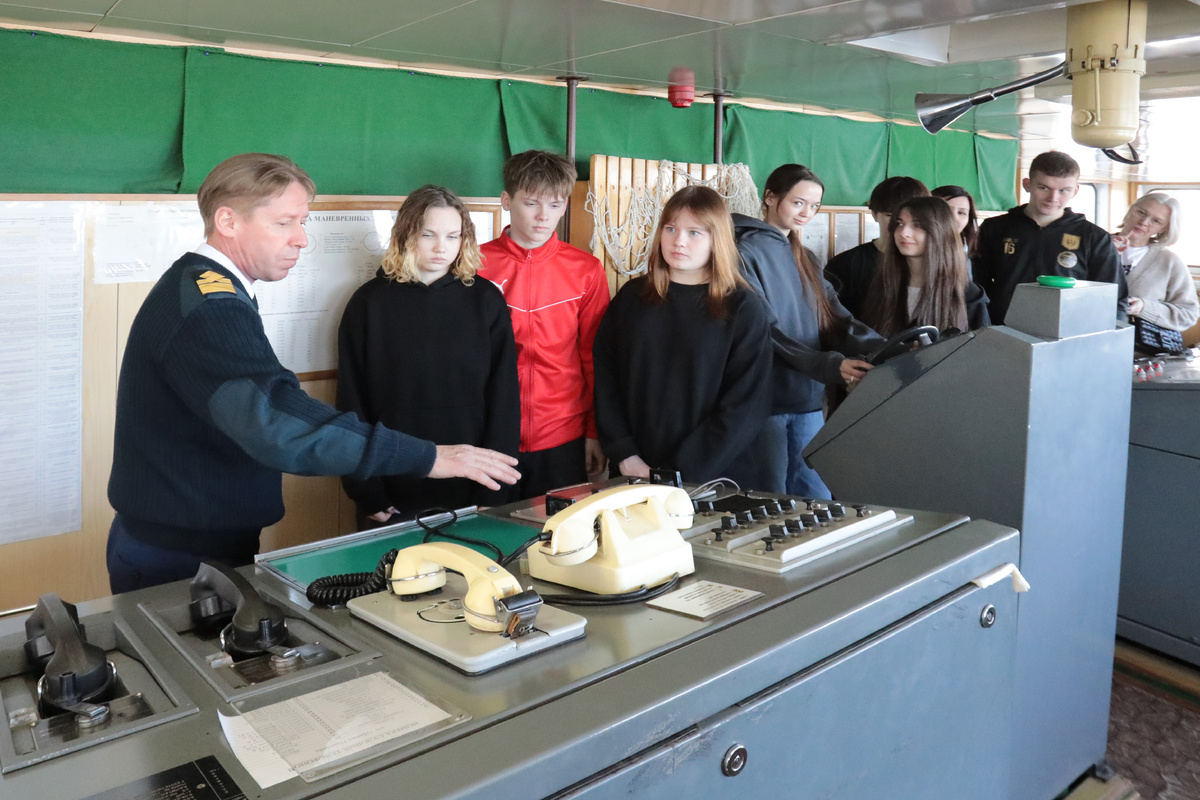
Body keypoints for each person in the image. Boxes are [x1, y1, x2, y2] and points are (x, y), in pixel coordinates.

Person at [106, 154, 519, 594]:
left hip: (201, 538)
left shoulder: (209, 289)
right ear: (227, 221)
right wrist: (428, 457)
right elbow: (275, 420)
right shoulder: (210, 305)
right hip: (179, 553)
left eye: (302, 223)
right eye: (285, 223)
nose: (302, 239)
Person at [336, 186, 520, 526]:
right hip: (389, 489)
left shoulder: (486, 301)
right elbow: (352, 402)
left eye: (452, 236)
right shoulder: (368, 303)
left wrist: (494, 487)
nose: (441, 247)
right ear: (406, 235)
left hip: (471, 486)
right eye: (428, 235)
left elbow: (504, 397)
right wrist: (364, 489)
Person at [593, 185, 772, 483]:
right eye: (671, 229)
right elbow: (606, 378)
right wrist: (624, 452)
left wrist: (678, 472)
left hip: (709, 476)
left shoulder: (741, 307)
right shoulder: (632, 297)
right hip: (632, 470)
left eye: (694, 232)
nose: (679, 241)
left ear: (717, 239)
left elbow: (746, 405)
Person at [730, 164, 884, 498]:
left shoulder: (806, 258)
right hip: (765, 400)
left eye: (814, 206)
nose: (806, 213)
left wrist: (887, 349)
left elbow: (836, 318)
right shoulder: (741, 252)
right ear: (770, 197)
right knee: (769, 499)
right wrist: (829, 365)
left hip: (809, 398)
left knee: (817, 499)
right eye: (798, 202)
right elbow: (763, 330)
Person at [478, 150, 610, 499]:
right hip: (489, 437)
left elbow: (595, 358)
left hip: (564, 437)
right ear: (506, 200)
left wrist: (594, 432)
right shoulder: (473, 265)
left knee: (560, 532)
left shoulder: (586, 270)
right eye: (531, 203)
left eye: (554, 204)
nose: (543, 216)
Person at [974, 150, 1126, 325]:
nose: (1053, 198)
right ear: (1027, 184)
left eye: (1064, 190)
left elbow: (1113, 297)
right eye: (1044, 188)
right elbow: (977, 285)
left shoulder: (1095, 237)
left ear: (1075, 190)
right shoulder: (994, 228)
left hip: (1069, 329)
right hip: (1002, 328)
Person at [860, 196, 990, 337]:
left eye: (917, 225)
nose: (904, 233)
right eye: (899, 223)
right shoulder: (880, 284)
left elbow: (983, 346)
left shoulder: (968, 295)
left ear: (940, 231)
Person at [825, 176, 930, 316]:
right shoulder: (845, 265)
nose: (903, 229)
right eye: (891, 216)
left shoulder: (937, 263)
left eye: (915, 220)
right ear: (874, 214)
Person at [1111, 193, 1200, 331]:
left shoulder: (1169, 262)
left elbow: (1189, 314)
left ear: (1164, 228)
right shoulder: (1093, 245)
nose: (1144, 222)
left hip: (1136, 342)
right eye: (1141, 213)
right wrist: (1104, 253)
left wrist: (1144, 307)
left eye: (1156, 221)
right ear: (1130, 210)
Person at [931, 184, 979, 276]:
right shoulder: (911, 247)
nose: (954, 218)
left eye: (961, 213)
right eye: (945, 210)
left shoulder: (966, 255)